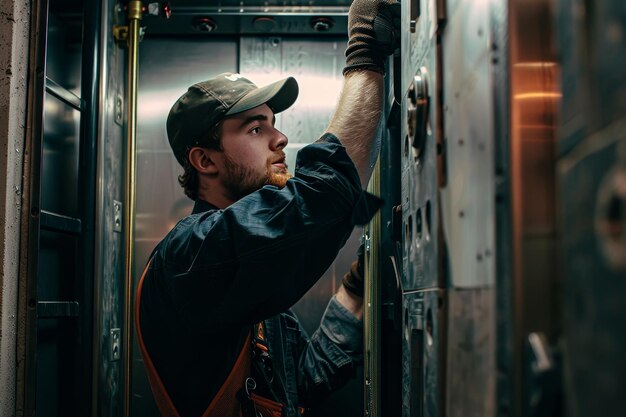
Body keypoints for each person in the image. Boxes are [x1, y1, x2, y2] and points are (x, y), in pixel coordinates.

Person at [135, 1, 399, 416]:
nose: (280, 139)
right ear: (205, 160)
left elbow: (302, 381)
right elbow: (319, 196)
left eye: (274, 123)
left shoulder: (244, 274)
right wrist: (364, 53)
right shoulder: (191, 253)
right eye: (256, 128)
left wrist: (355, 289)